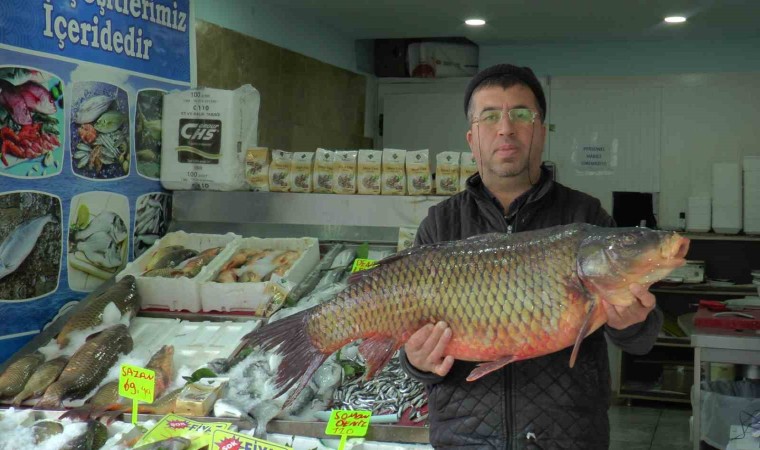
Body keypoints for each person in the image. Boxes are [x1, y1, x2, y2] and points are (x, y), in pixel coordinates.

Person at [399, 64, 663, 449]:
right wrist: (416, 360)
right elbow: (414, 353)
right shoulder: (441, 224)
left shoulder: (586, 217)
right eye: (490, 116)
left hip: (568, 438)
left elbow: (641, 342)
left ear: (541, 130)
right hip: (464, 438)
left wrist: (633, 324)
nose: (506, 128)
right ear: (472, 137)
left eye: (521, 115)